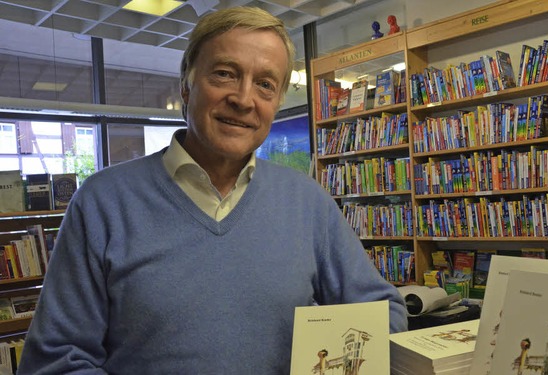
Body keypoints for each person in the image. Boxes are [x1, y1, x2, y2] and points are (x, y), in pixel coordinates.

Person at [18, 6, 407, 374]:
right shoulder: (102, 203)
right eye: (224, 73)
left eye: (265, 84)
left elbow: (381, 311)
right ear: (186, 86)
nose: (242, 99)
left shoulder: (307, 202)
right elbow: (57, 358)